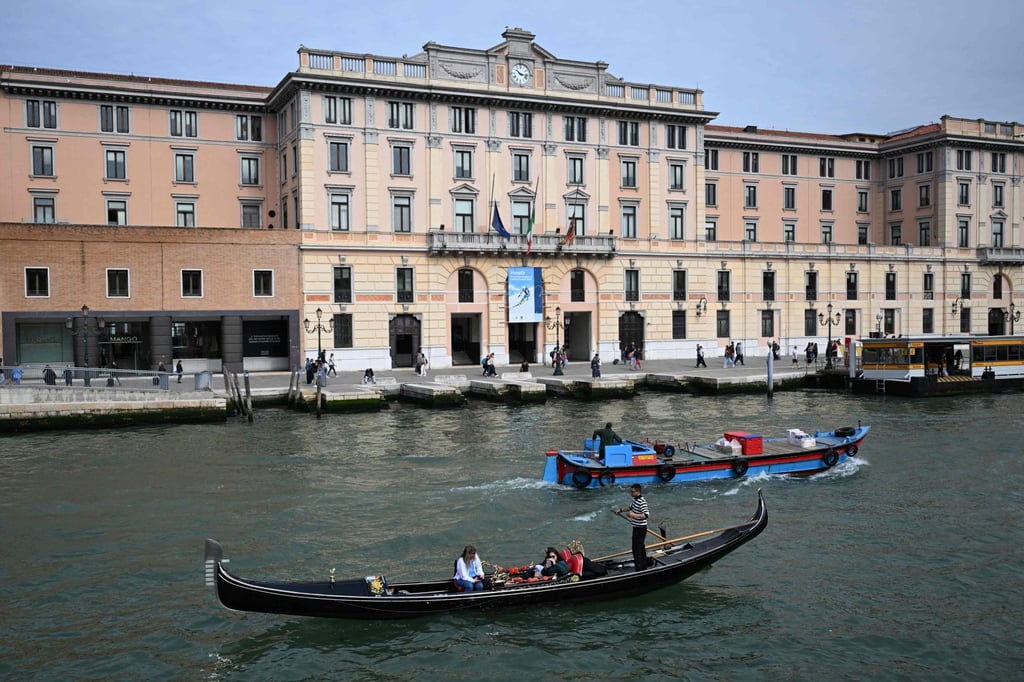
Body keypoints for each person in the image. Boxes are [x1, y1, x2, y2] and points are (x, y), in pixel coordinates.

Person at [615, 484, 652, 572]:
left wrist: (633, 515)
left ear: (637, 491)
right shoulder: (635, 500)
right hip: (636, 528)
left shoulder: (642, 501)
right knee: (640, 548)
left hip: (640, 528)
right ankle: (643, 565)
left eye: (632, 491)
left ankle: (639, 569)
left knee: (636, 549)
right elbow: (630, 507)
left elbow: (646, 515)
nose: (630, 493)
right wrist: (620, 510)